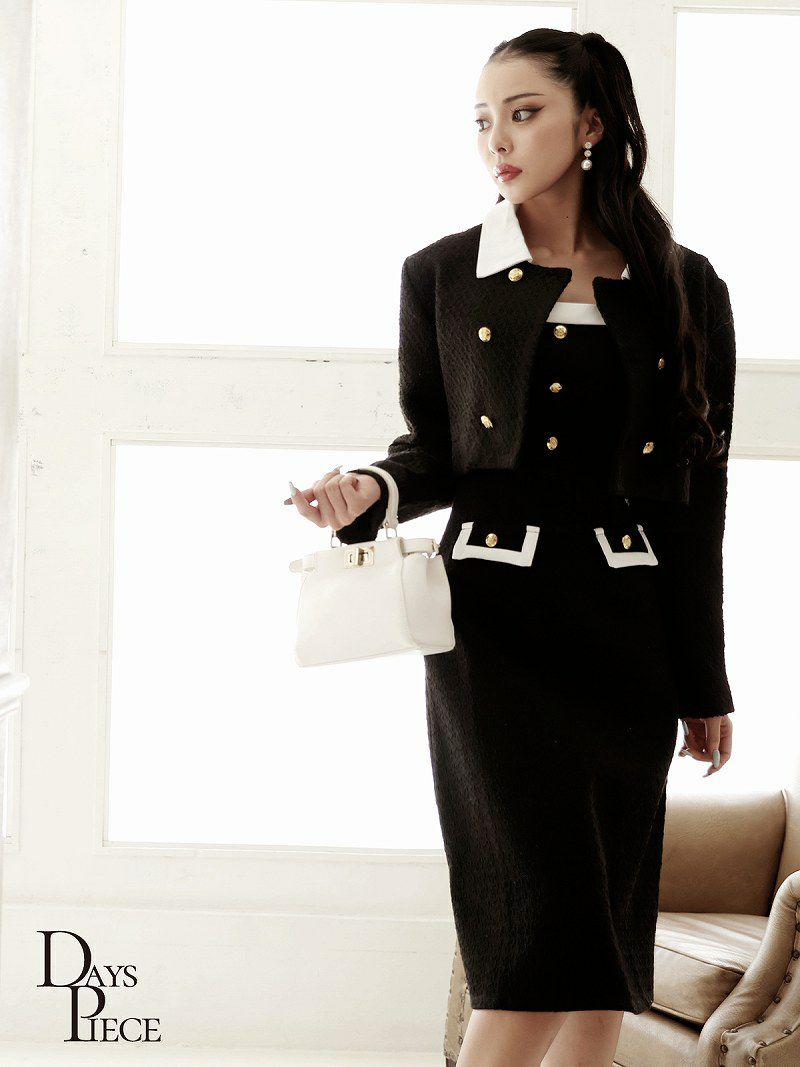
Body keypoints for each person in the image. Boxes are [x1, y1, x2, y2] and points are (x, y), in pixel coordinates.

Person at [288, 27, 736, 1067]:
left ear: (591, 124)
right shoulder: (443, 273)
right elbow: (436, 449)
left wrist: (701, 680)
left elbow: (695, 498)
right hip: (493, 637)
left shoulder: (684, 284)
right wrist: (370, 492)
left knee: (601, 951)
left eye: (523, 112)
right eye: (483, 118)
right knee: (533, 936)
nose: (496, 137)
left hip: (622, 636)